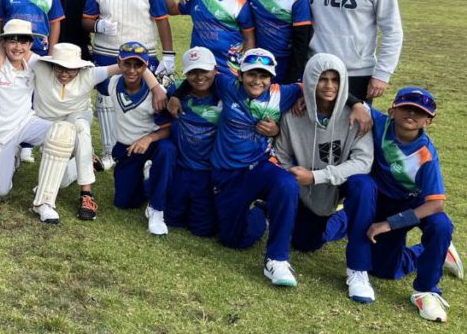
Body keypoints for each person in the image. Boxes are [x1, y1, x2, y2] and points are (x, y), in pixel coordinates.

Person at [180, 48, 303, 286]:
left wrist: (357, 105)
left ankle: (277, 260)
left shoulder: (282, 93)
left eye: (264, 75)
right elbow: (198, 78)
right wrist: (176, 96)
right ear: (240, 75)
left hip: (259, 166)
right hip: (226, 174)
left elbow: (314, 85)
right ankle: (260, 211)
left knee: (287, 183)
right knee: (232, 239)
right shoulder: (227, 86)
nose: (257, 81)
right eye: (251, 75)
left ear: (272, 77)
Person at [344, 88, 463, 322]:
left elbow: (435, 205)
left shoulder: (426, 154)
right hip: (381, 201)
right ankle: (430, 252)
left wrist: (389, 224)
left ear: (428, 121)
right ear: (392, 111)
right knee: (384, 270)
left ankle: (426, 291)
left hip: (412, 207)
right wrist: (358, 104)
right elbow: (338, 92)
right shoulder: (378, 122)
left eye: (420, 112)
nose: (412, 114)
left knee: (441, 225)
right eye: (406, 107)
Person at [273, 53, 375, 301]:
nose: (329, 86)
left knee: (363, 185)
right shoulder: (293, 115)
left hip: (342, 183)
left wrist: (317, 176)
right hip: (311, 190)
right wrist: (298, 179)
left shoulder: (358, 115)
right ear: (310, 82)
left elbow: (363, 161)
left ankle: (358, 270)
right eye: (322, 79)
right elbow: (282, 157)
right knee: (305, 243)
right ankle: (340, 218)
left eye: (335, 80)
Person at [30, 43, 164, 222]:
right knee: (58, 180)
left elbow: (129, 66)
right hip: (47, 126)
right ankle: (88, 160)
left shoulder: (89, 74)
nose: (64, 73)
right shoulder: (40, 67)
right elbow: (8, 48)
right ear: (51, 64)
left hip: (76, 121)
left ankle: (86, 195)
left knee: (81, 129)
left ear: (79, 67)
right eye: (60, 67)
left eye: (71, 69)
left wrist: (155, 87)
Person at [82, 0, 174, 171]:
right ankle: (108, 151)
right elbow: (86, 20)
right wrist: (98, 27)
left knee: (145, 101)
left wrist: (169, 54)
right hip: (107, 52)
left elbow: (162, 21)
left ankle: (144, 148)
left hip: (142, 55)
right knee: (106, 100)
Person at [0, 19, 54, 208]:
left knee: (63, 134)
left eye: (24, 41)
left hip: (26, 124)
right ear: (4, 43)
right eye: (12, 41)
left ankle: (47, 191)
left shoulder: (34, 64)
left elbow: (61, 68)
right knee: (0, 190)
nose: (18, 47)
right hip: (1, 135)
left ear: (31, 44)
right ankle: (13, 155)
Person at [107, 43, 172, 236]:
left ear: (146, 67)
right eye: (127, 64)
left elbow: (169, 129)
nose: (132, 70)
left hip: (152, 146)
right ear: (119, 62)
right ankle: (149, 178)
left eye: (138, 65)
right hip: (127, 149)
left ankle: (157, 208)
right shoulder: (111, 83)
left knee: (167, 149)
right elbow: (86, 73)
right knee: (123, 202)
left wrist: (149, 138)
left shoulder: (157, 94)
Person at [163, 0, 255, 76]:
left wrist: (247, 67)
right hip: (199, 64)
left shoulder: (240, 1)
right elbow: (172, 9)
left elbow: (249, 37)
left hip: (229, 67)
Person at [163, 47, 221, 238]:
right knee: (172, 219)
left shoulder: (226, 96)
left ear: (215, 70)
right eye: (192, 72)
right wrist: (174, 96)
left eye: (203, 71)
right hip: (181, 168)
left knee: (202, 230)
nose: (198, 77)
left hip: (207, 173)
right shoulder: (175, 91)